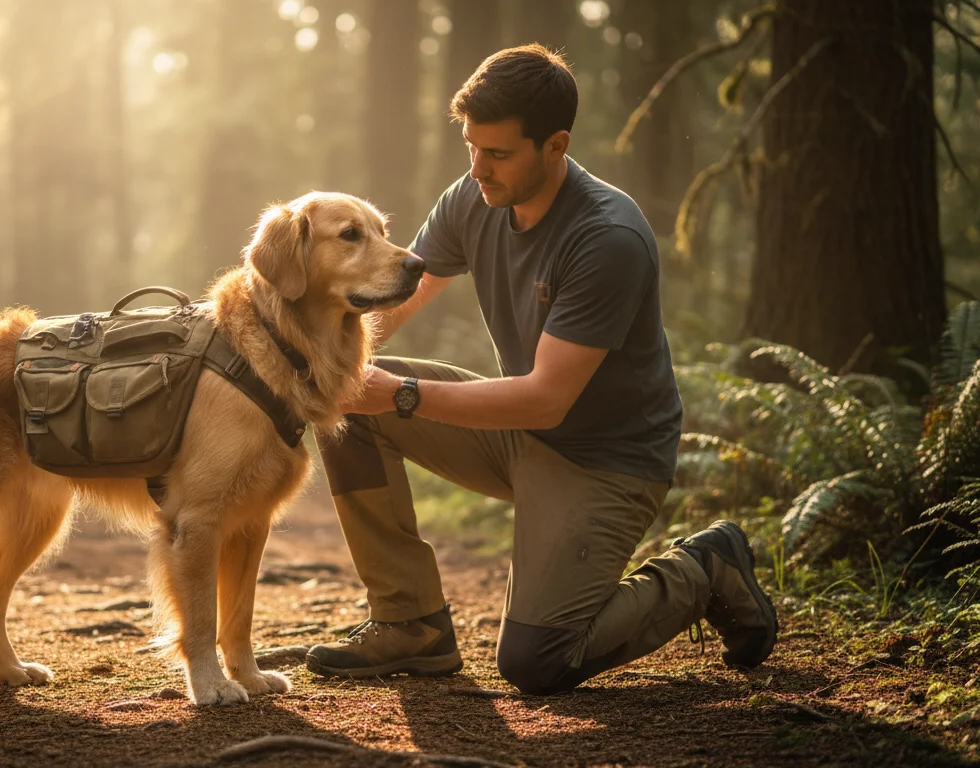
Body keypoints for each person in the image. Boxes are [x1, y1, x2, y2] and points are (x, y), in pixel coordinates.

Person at [303, 44, 778, 694]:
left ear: (555, 145)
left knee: (536, 661)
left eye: (498, 154)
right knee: (350, 396)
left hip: (605, 461)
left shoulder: (607, 236)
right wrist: (309, 363)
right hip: (518, 433)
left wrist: (403, 394)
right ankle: (409, 623)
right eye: (471, 147)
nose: (478, 169)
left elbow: (547, 401)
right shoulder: (473, 196)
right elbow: (390, 308)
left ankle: (705, 569)